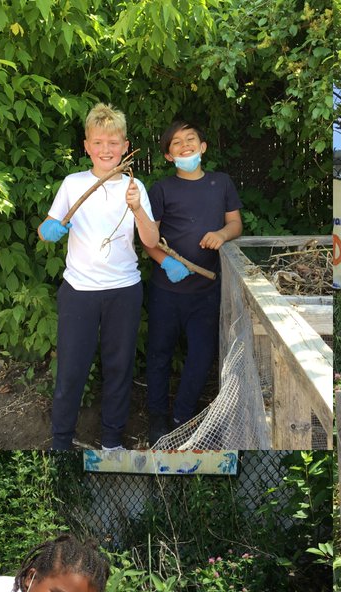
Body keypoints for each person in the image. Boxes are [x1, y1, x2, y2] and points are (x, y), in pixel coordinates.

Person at [38, 102, 160, 450]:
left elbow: (151, 241)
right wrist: (49, 230)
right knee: (72, 370)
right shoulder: (73, 184)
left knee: (119, 368)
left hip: (124, 290)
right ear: (87, 146)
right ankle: (61, 442)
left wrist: (136, 208)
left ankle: (111, 441)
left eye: (113, 142)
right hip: (79, 290)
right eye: (98, 142)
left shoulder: (136, 188)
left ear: (125, 147)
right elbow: (46, 227)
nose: (106, 150)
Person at [142, 120, 243, 444]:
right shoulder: (161, 189)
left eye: (191, 139)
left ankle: (182, 416)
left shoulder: (221, 183)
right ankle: (157, 418)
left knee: (201, 355)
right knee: (159, 353)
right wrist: (165, 261)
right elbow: (148, 237)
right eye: (176, 144)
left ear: (203, 147)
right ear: (169, 156)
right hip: (166, 291)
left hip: (206, 292)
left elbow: (235, 224)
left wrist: (221, 234)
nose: (184, 146)